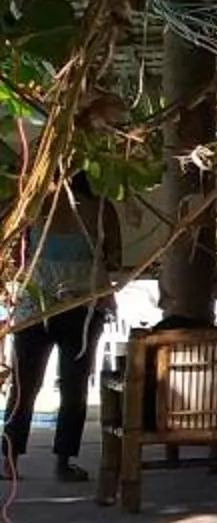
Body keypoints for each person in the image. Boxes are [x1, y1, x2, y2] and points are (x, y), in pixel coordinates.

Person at [7, 176, 115, 483]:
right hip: (82, 307)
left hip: (35, 307)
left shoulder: (32, 207)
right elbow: (112, 255)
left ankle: (10, 460)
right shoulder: (101, 208)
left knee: (24, 385)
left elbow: (17, 258)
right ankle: (63, 462)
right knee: (73, 386)